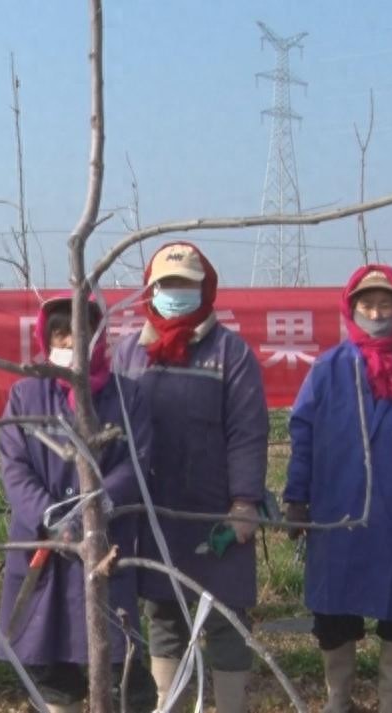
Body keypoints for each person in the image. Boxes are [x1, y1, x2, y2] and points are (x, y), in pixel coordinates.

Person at [114, 242, 269, 713]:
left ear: (205, 288)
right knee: (163, 617)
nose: (176, 292)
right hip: (154, 513)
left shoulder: (230, 353)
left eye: (186, 283)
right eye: (167, 284)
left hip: (216, 515)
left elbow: (247, 431)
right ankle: (170, 704)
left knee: (225, 619)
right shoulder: (130, 353)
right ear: (150, 290)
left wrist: (245, 502)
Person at [284, 265, 392, 713]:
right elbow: (302, 433)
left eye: (385, 304)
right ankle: (339, 698)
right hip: (338, 510)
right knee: (334, 611)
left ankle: (391, 700)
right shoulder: (329, 367)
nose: (376, 313)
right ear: (351, 309)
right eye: (367, 304)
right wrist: (296, 498)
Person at [0, 295, 158, 713]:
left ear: (98, 336)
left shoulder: (127, 397)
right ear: (46, 339)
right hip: (43, 544)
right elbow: (14, 466)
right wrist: (52, 517)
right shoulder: (25, 395)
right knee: (49, 665)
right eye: (61, 333)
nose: (71, 342)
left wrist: (93, 512)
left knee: (118, 659)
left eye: (80, 332)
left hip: (106, 542)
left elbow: (136, 462)